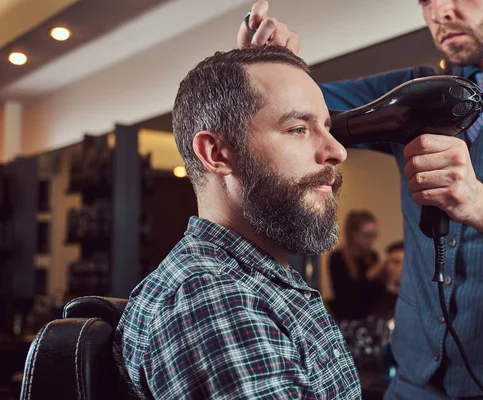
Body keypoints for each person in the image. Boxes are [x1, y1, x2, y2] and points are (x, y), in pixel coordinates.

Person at [237, 0, 483, 399]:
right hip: (412, 386)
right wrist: (270, 69)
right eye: (426, 0)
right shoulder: (411, 94)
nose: (439, 12)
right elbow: (295, 113)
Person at [112, 45, 362, 399]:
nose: (337, 151)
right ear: (217, 154)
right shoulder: (212, 298)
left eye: (326, 127)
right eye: (297, 129)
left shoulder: (259, 283)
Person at [327, 209, 387, 320]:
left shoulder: (373, 256)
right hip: (347, 320)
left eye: (374, 235)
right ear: (353, 234)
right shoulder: (337, 258)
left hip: (371, 319)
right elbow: (346, 297)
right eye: (367, 235)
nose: (371, 240)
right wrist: (371, 274)